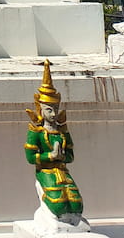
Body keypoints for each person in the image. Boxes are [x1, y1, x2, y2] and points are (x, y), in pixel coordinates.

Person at [24, 61, 84, 222]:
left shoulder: (62, 131)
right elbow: (30, 158)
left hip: (63, 171)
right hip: (46, 172)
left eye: (55, 109)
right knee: (59, 205)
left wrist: (62, 156)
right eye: (49, 109)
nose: (53, 113)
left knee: (76, 205)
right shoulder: (36, 132)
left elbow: (71, 156)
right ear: (40, 110)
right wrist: (50, 156)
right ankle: (47, 214)